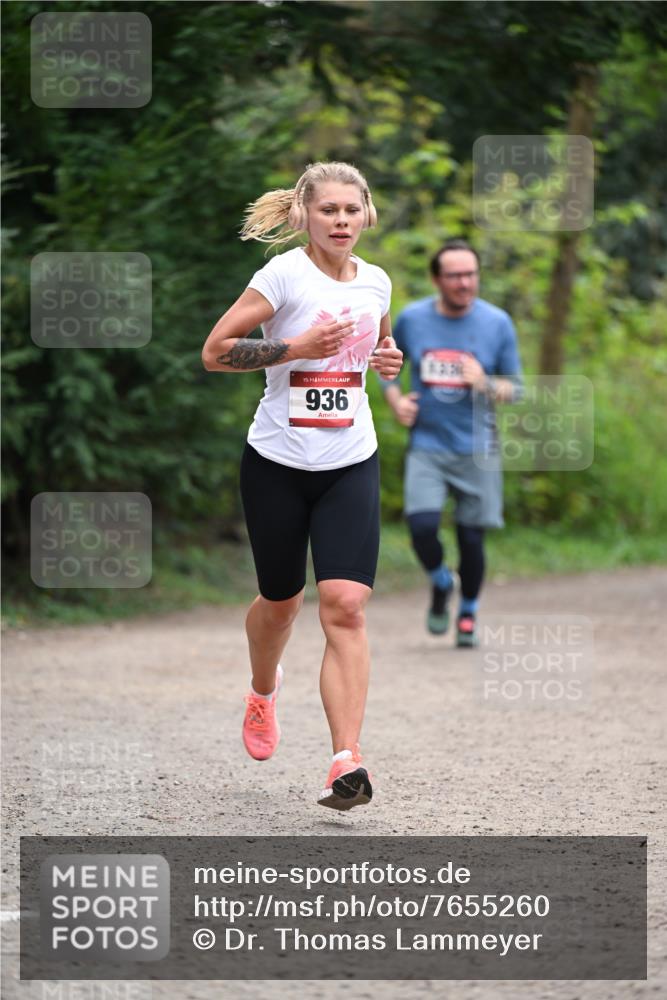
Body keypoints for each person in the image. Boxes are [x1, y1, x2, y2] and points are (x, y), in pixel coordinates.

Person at [202, 162, 402, 810]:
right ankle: (262, 690)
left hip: (350, 458)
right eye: (328, 211)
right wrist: (295, 346)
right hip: (278, 462)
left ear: (366, 215)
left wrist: (387, 359)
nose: (341, 220)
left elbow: (378, 344)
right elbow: (216, 350)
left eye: (351, 210)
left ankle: (346, 760)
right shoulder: (283, 276)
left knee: (344, 603)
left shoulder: (376, 282)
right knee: (281, 603)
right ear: (303, 217)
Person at [380, 239, 522, 647]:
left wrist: (487, 383)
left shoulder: (498, 323)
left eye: (471, 274)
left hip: (478, 447)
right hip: (427, 443)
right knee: (421, 526)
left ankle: (469, 611)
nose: (464, 283)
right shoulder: (412, 319)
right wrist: (396, 400)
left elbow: (518, 389)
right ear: (437, 279)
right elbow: (387, 365)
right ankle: (441, 581)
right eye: (455, 276)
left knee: (471, 537)